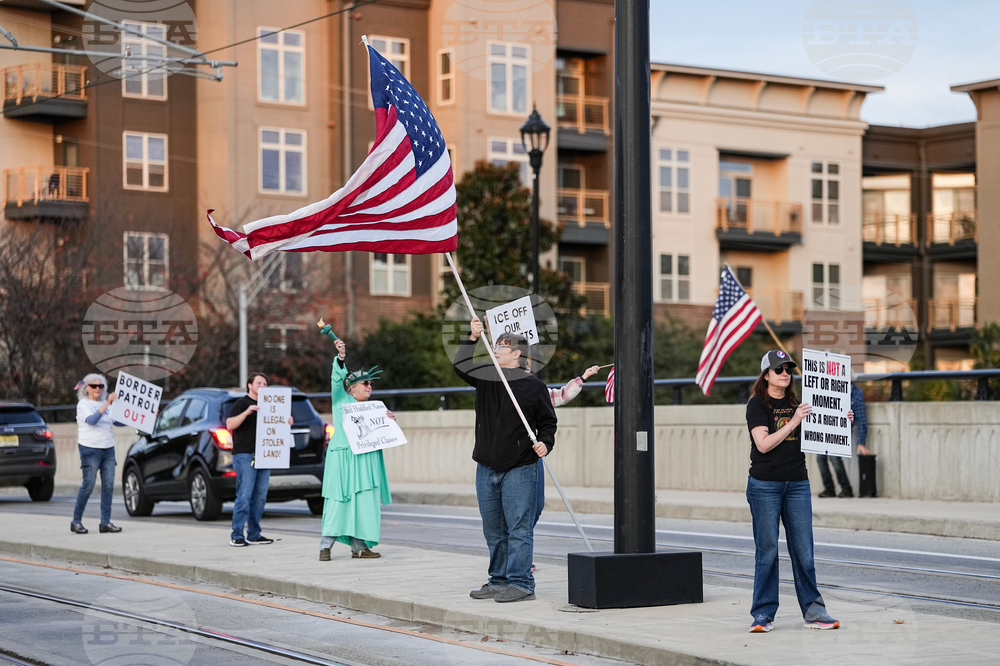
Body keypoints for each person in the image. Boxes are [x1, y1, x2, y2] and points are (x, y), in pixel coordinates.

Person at [745, 350, 853, 633]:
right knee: (767, 552)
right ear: (766, 375)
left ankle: (815, 613)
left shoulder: (798, 403)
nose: (785, 373)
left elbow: (821, 434)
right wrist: (794, 421)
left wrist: (841, 419)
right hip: (764, 485)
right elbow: (763, 445)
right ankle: (763, 615)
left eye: (788, 369)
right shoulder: (757, 405)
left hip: (797, 484)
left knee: (804, 552)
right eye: (778, 369)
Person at [454, 318, 557, 603]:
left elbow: (548, 423)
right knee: (493, 530)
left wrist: (545, 444)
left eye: (503, 346)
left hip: (521, 467)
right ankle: (497, 581)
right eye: (496, 345)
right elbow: (460, 365)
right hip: (486, 465)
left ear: (517, 354)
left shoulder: (534, 386)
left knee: (519, 528)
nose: (497, 349)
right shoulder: (486, 376)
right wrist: (472, 337)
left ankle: (522, 583)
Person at [318, 338, 393, 560]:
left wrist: (389, 420)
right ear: (352, 388)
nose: (369, 387)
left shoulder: (374, 408)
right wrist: (341, 358)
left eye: (370, 384)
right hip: (342, 459)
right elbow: (336, 380)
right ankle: (325, 546)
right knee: (337, 501)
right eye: (365, 384)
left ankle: (360, 547)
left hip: (365, 460)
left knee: (364, 501)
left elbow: (382, 434)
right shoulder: (341, 401)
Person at [530, 365, 601, 567]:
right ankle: (517, 561)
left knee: (535, 506)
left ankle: (519, 554)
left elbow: (561, 395)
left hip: (532, 455)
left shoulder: (535, 390)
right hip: (507, 456)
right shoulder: (499, 386)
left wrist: (583, 377)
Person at [226, 373, 289, 547]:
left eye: (265, 383)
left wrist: (286, 421)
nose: (262, 385)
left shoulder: (271, 405)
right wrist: (247, 412)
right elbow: (230, 425)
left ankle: (254, 534)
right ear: (249, 385)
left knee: (260, 496)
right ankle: (237, 534)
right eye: (259, 383)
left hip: (265, 455)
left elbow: (276, 427)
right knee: (244, 495)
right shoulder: (241, 403)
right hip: (245, 454)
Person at [73, 374, 124, 534]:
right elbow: (92, 420)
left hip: (108, 447)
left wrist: (146, 416)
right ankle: (76, 521)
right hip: (90, 448)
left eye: (101, 386)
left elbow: (119, 421)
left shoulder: (106, 404)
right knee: (88, 484)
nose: (97, 389)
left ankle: (105, 522)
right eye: (94, 386)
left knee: (108, 486)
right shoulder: (83, 404)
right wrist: (108, 402)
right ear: (86, 388)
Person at [816, 376, 868, 497]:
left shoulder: (856, 394)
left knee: (834, 457)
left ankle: (846, 488)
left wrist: (861, 443)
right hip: (828, 427)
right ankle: (829, 488)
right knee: (820, 458)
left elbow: (862, 420)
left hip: (843, 429)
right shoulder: (829, 390)